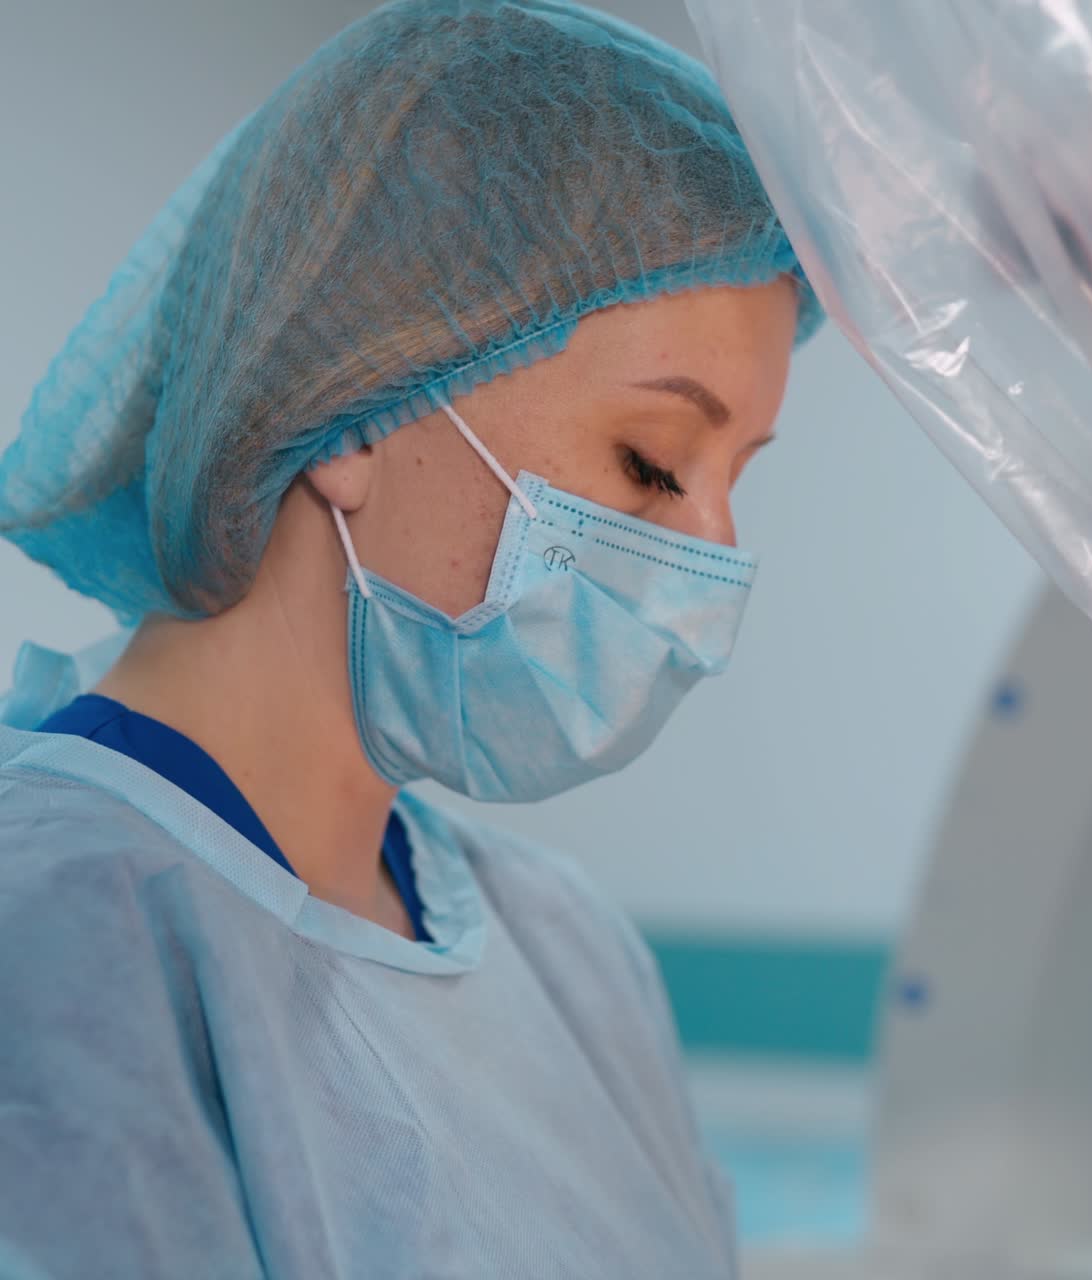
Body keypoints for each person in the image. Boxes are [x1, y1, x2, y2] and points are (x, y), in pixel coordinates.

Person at [0, 1, 820, 1277]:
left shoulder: (564, 950)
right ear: (351, 418)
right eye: (654, 463)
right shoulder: (57, 934)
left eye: (735, 474)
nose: (708, 558)